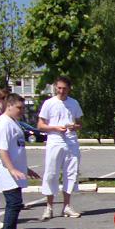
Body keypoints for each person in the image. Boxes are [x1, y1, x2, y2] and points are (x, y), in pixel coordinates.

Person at [0, 94, 40, 229]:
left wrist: (26, 169)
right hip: (5, 169)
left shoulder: (13, 122)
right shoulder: (3, 123)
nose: (22, 111)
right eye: (19, 107)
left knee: (16, 203)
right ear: (9, 106)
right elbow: (2, 150)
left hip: (14, 169)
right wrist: (11, 169)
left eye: (23, 108)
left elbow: (16, 148)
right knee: (14, 203)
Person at [38, 75, 84, 219]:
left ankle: (67, 206)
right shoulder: (49, 103)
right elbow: (40, 125)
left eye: (64, 88)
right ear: (55, 88)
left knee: (71, 173)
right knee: (51, 173)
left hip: (71, 141)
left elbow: (80, 123)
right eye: (59, 88)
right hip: (55, 140)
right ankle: (49, 207)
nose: (61, 91)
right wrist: (55, 128)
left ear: (69, 89)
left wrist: (74, 126)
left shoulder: (74, 103)